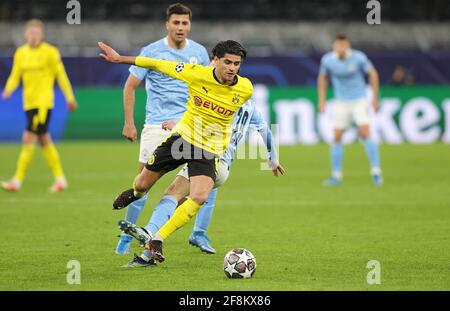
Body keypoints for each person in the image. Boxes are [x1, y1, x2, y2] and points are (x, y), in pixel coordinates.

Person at [99, 38, 254, 263]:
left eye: (237, 64)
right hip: (181, 141)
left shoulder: (245, 88)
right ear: (215, 60)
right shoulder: (195, 73)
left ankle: (158, 239)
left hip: (207, 150)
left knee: (199, 196)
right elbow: (158, 64)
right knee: (142, 184)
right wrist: (120, 58)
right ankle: (135, 194)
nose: (232, 68)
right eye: (227, 62)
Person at [118, 98, 285, 267]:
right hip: (222, 167)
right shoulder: (251, 106)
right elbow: (266, 131)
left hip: (209, 159)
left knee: (172, 195)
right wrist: (273, 159)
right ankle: (147, 256)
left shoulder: (223, 102)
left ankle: (149, 231)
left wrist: (177, 127)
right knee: (176, 204)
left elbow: (207, 129)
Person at [114, 2, 213, 255]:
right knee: (142, 185)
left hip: (190, 127)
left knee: (206, 179)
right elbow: (130, 86)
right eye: (176, 22)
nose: (181, 27)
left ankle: (197, 233)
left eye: (185, 23)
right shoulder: (152, 51)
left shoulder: (200, 53)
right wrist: (129, 122)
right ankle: (127, 236)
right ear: (167, 24)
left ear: (190, 25)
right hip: (157, 125)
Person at [1, 19, 77, 193]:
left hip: (43, 104)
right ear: (25, 34)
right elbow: (15, 75)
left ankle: (17, 181)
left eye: (37, 33)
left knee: (28, 138)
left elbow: (61, 76)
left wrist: (70, 98)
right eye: (31, 33)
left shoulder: (50, 52)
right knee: (44, 140)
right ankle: (60, 179)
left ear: (41, 35)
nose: (33, 36)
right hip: (28, 103)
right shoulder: (20, 53)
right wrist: (7, 90)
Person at [317, 34, 383, 186]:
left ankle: (376, 172)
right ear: (334, 46)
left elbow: (372, 74)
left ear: (348, 46)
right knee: (337, 136)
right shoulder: (328, 60)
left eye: (344, 45)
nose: (341, 48)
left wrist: (375, 98)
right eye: (338, 45)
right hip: (341, 101)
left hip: (359, 99)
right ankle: (336, 176)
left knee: (365, 132)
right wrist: (322, 100)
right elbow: (322, 79)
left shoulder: (359, 58)